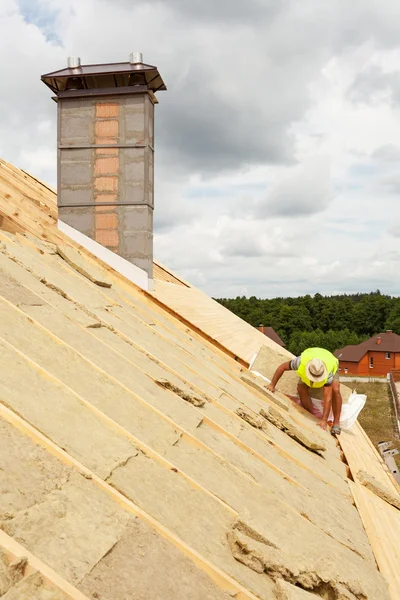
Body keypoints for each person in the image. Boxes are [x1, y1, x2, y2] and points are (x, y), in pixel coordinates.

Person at [266, 347, 342, 435]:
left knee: (335, 390)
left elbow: (328, 397)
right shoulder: (300, 362)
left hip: (330, 361)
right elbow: (282, 367)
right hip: (313, 358)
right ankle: (310, 414)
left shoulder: (328, 373)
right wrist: (272, 385)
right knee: (301, 388)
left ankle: (336, 423)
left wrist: (324, 420)